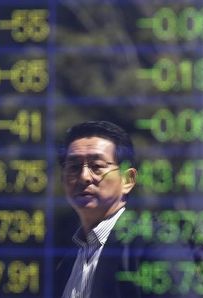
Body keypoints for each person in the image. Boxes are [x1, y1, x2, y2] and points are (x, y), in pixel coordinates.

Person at [56, 121, 140, 298]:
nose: (84, 177)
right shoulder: (63, 261)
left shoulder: (150, 245)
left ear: (127, 180)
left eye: (97, 166)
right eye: (74, 167)